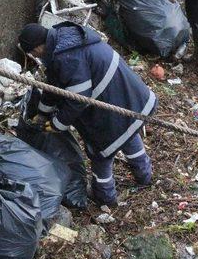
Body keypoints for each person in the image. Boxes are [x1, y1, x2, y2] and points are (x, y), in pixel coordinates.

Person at [18, 22, 157, 207]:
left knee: (101, 153)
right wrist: (43, 113)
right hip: (133, 98)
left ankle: (104, 196)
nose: (34, 56)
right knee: (129, 132)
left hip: (114, 102)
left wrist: (57, 124)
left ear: (37, 47)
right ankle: (144, 175)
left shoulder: (66, 57)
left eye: (33, 53)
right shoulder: (65, 38)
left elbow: (78, 99)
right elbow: (54, 86)